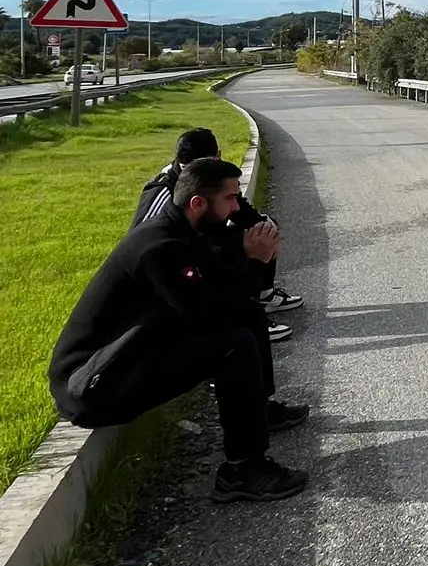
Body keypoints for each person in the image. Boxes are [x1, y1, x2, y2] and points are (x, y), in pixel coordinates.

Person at [51, 158, 309, 503]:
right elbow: (211, 315)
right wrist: (254, 262)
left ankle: (259, 409)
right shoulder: (160, 248)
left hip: (132, 353)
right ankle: (241, 470)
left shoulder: (188, 229)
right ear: (198, 203)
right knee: (234, 343)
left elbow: (225, 292)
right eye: (230, 199)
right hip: (96, 383)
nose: (236, 207)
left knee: (247, 313)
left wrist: (257, 238)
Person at [134, 128, 305, 332]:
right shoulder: (162, 192)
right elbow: (144, 241)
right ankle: (244, 312)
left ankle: (263, 298)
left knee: (260, 231)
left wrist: (266, 228)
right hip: (173, 265)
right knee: (232, 251)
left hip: (198, 243)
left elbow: (239, 210)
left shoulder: (214, 180)